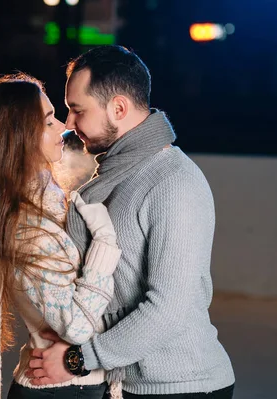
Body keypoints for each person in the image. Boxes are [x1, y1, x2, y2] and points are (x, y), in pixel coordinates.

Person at [25, 45, 236, 398]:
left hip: (181, 386)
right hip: (125, 383)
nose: (69, 124)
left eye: (78, 110)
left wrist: (78, 359)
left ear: (118, 108)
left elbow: (168, 309)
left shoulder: (172, 180)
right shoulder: (111, 179)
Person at [0, 72, 125, 399]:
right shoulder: (27, 228)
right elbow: (77, 328)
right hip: (61, 391)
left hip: (69, 386)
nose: (64, 126)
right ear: (18, 137)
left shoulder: (46, 202)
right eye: (48, 121)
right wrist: (105, 247)